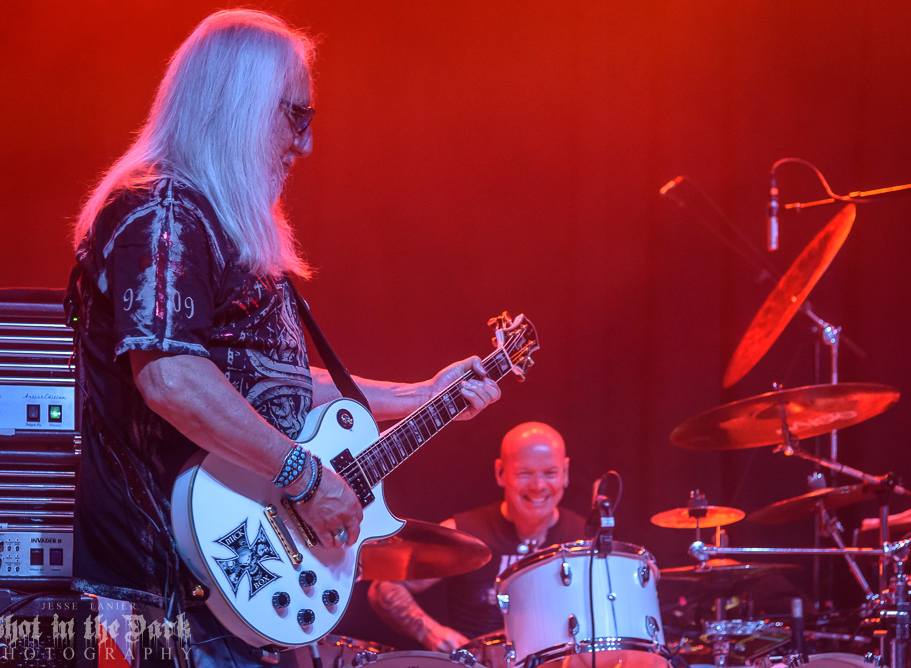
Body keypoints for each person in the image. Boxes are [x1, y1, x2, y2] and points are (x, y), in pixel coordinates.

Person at [66, 10, 500, 667]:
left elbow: (277, 391)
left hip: (230, 584)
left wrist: (423, 392)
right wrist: (302, 475)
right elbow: (171, 378)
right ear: (238, 105)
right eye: (297, 116)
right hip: (164, 587)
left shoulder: (221, 224)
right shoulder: (163, 213)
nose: (305, 145)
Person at [367, 422, 583, 652]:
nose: (538, 486)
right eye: (525, 473)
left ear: (565, 472)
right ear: (501, 472)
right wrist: (430, 631)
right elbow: (384, 587)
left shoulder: (584, 537)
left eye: (550, 473)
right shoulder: (464, 532)